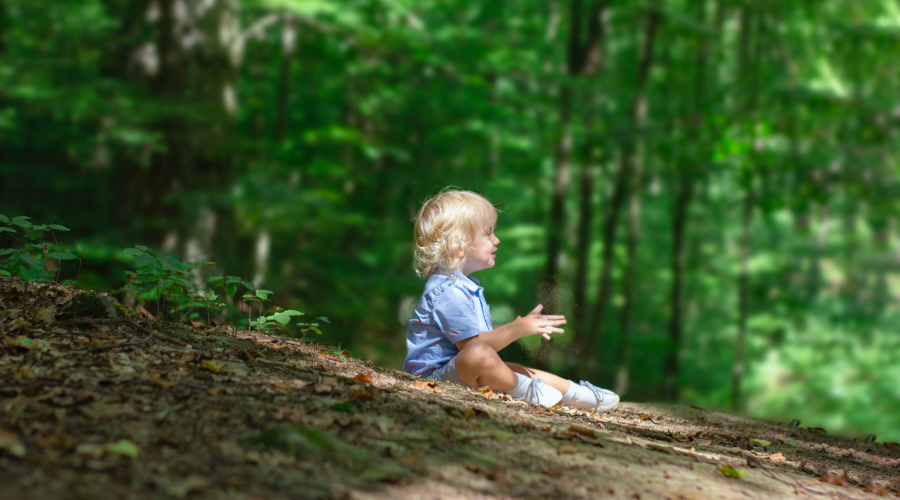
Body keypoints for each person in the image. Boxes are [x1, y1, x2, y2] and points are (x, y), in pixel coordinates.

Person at [403, 189, 619, 410]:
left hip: (458, 370)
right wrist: (517, 329)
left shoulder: (460, 286)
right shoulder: (448, 290)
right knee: (481, 355)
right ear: (459, 245)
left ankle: (578, 394)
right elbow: (473, 346)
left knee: (511, 367)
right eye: (488, 234)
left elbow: (476, 335)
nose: (496, 240)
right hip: (436, 378)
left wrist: (517, 326)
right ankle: (530, 391)